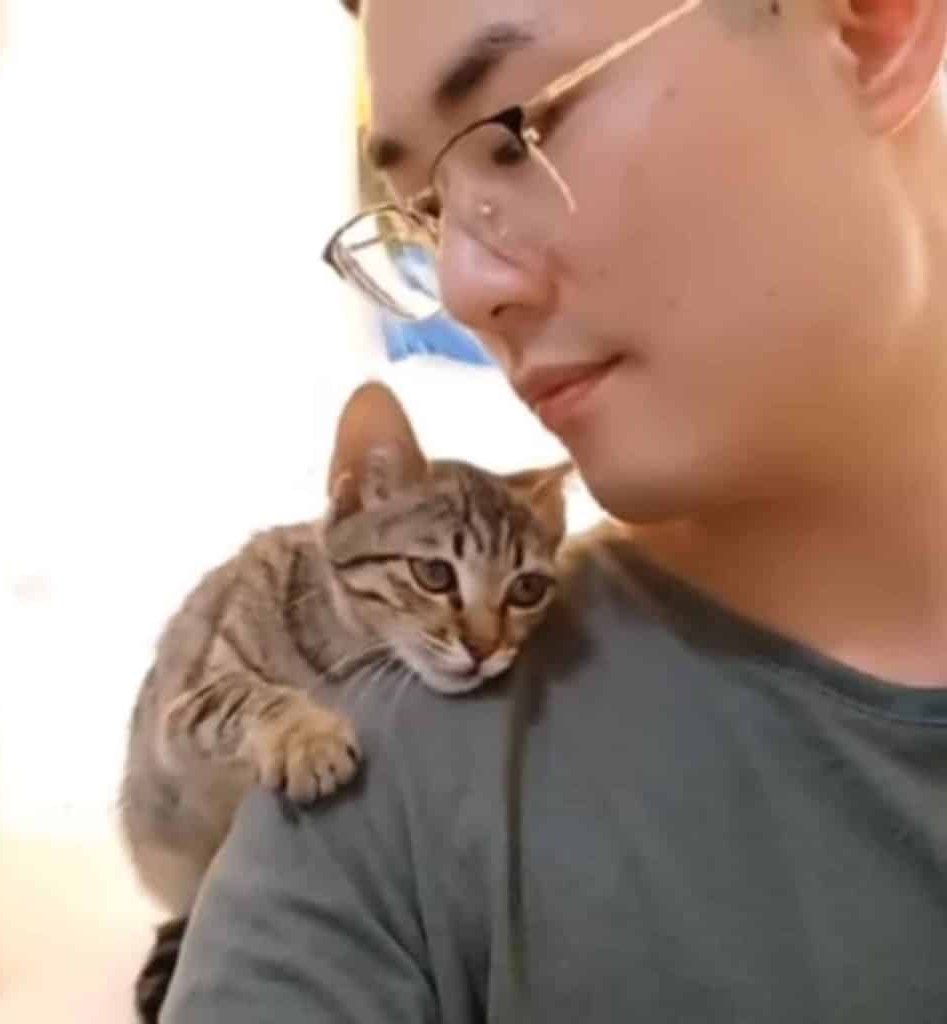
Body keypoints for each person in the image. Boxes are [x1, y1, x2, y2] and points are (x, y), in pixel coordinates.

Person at [163, 0, 947, 1020]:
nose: (460, 288)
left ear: (869, 25)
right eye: (427, 212)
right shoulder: (393, 781)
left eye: (517, 132)